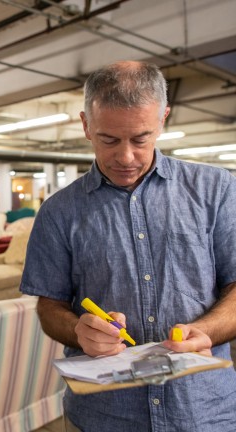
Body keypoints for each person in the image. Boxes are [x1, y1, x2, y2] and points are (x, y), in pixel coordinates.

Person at [20, 61, 236, 431]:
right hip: (105, 416)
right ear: (86, 124)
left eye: (140, 138)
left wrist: (208, 330)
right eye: (109, 139)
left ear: (163, 119)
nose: (126, 157)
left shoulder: (216, 191)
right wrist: (78, 332)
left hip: (204, 411)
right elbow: (49, 306)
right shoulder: (58, 212)